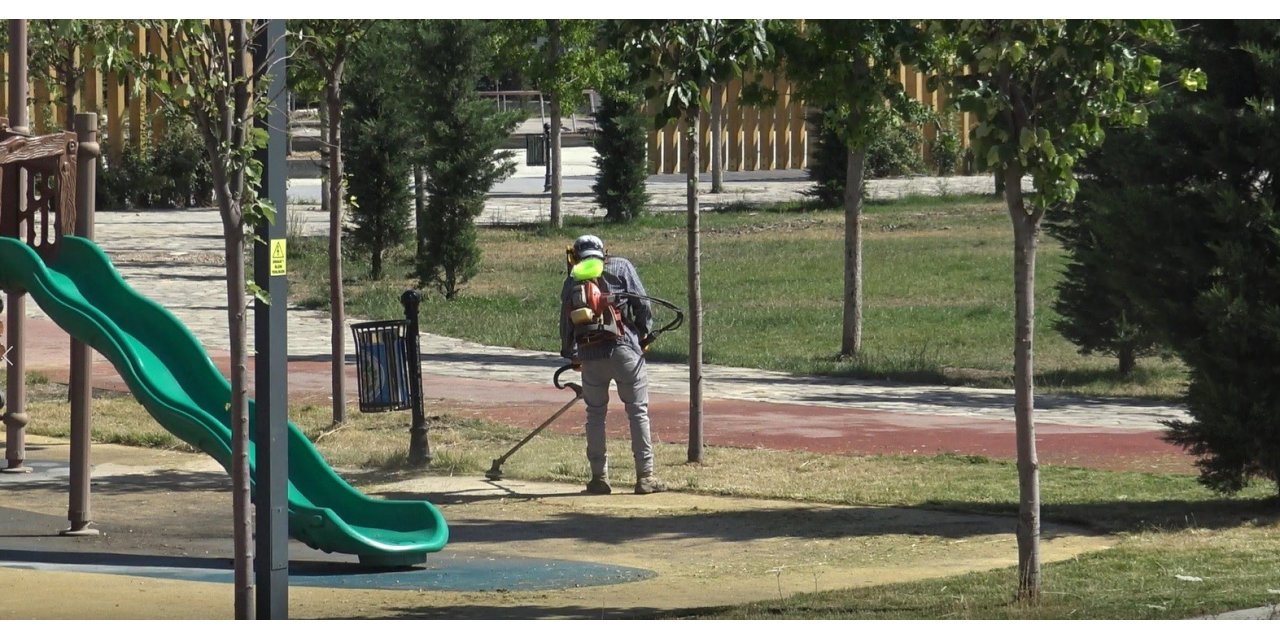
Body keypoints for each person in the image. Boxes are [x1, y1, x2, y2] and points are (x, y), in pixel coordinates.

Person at [560, 234, 666, 495]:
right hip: (625, 350)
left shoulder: (573, 278)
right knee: (637, 411)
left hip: (589, 355)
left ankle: (599, 478)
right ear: (603, 252)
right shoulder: (621, 267)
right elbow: (642, 305)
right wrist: (643, 334)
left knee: (595, 414)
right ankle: (645, 477)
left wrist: (572, 354)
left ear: (575, 255)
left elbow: (566, 323)